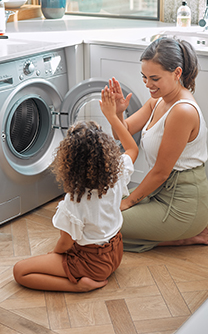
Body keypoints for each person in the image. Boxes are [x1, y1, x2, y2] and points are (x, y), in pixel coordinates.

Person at [13, 88, 138, 292]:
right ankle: (84, 275)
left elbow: (65, 243)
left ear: (70, 164)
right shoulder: (117, 176)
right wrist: (113, 116)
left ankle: (78, 287)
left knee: (20, 271)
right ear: (106, 153)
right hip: (115, 254)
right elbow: (132, 148)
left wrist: (53, 255)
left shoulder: (75, 200)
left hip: (93, 264)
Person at [104, 37, 208, 253]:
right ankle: (170, 234)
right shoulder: (158, 101)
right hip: (158, 192)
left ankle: (181, 236)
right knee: (100, 210)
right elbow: (121, 135)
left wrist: (127, 203)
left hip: (182, 203)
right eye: (144, 77)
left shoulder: (182, 111)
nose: (148, 84)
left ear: (177, 73)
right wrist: (117, 113)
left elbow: (161, 172)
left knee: (101, 227)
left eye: (154, 78)